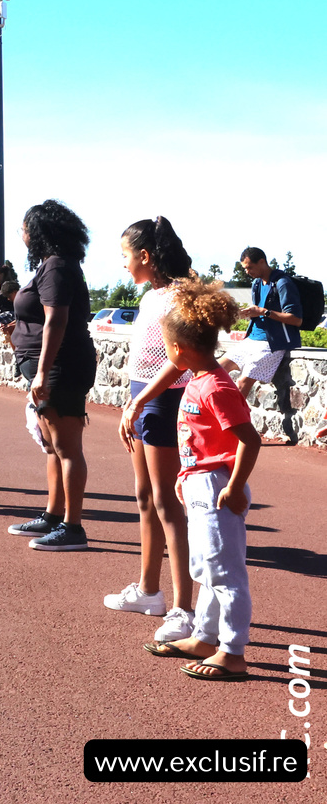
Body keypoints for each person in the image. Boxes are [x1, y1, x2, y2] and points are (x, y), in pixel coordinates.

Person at [142, 280, 260, 681]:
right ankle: (207, 638)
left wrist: (234, 486)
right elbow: (200, 439)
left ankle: (233, 651)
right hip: (199, 484)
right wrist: (185, 476)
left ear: (178, 348)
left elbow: (249, 440)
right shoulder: (199, 379)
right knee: (207, 569)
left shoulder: (217, 386)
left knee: (226, 575)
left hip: (217, 488)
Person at [111, 217, 195, 643]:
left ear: (145, 256)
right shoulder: (150, 297)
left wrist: (140, 401)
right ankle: (149, 591)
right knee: (145, 496)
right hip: (142, 398)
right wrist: (133, 400)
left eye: (126, 255)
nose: (123, 263)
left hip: (163, 400)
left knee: (167, 502)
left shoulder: (178, 297)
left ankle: (184, 609)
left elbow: (179, 360)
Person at [5, 200, 96, 551]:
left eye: (25, 229)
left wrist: (42, 372)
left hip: (62, 367)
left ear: (40, 232)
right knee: (52, 447)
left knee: (66, 447)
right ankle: (54, 515)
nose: (23, 235)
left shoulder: (57, 266)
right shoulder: (53, 265)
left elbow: (56, 319)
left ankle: (72, 527)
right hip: (54, 366)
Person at [218, 247, 302, 399]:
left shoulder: (283, 283)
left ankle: (234, 414)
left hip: (272, 344)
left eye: (249, 267)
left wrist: (264, 312)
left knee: (242, 383)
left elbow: (296, 319)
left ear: (262, 262)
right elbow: (258, 311)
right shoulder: (256, 283)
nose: (247, 272)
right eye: (245, 268)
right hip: (252, 339)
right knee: (216, 370)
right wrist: (247, 313)